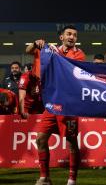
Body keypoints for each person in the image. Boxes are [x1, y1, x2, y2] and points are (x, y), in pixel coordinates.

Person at [25, 25, 85, 185]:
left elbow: (67, 67)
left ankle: (72, 180)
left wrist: (53, 52)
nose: (72, 37)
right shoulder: (49, 51)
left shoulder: (79, 54)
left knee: (72, 143)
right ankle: (45, 177)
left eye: (75, 35)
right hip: (51, 105)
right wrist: (36, 43)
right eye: (69, 34)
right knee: (40, 139)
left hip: (68, 106)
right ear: (62, 37)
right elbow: (29, 50)